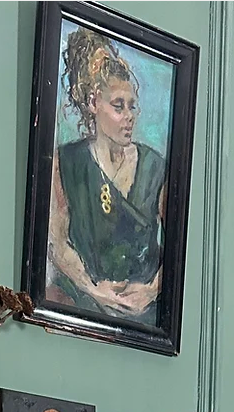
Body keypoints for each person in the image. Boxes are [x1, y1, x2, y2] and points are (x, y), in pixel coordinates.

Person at [47, 26, 166, 323]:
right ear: (92, 103)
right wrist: (94, 289)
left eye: (132, 107)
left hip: (143, 306)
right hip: (83, 297)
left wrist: (152, 290)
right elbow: (58, 245)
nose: (129, 117)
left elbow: (177, 248)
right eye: (118, 106)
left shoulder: (155, 167)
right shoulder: (68, 162)